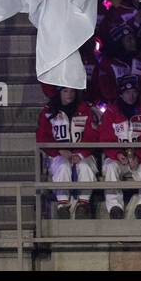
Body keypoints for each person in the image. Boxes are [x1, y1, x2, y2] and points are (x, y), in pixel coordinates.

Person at [98, 75, 141, 219]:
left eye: (133, 92)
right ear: (121, 94)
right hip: (119, 158)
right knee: (111, 168)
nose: (131, 95)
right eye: (126, 92)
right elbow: (105, 138)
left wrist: (139, 157)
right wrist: (117, 154)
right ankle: (115, 207)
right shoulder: (111, 112)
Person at [38, 86, 97, 218]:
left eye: (72, 91)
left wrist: (80, 153)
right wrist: (59, 150)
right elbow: (42, 137)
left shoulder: (85, 109)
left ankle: (83, 204)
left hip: (83, 153)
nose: (69, 94)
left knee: (85, 166)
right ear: (59, 92)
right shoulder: (48, 111)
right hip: (57, 154)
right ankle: (63, 205)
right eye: (65, 91)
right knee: (63, 166)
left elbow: (92, 135)